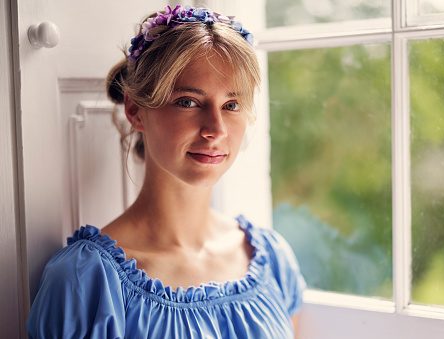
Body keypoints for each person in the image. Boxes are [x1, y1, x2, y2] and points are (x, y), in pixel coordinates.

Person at [26, 5, 306, 338]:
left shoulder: (272, 259)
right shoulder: (84, 281)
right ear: (135, 110)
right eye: (188, 101)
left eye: (231, 105)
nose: (215, 129)